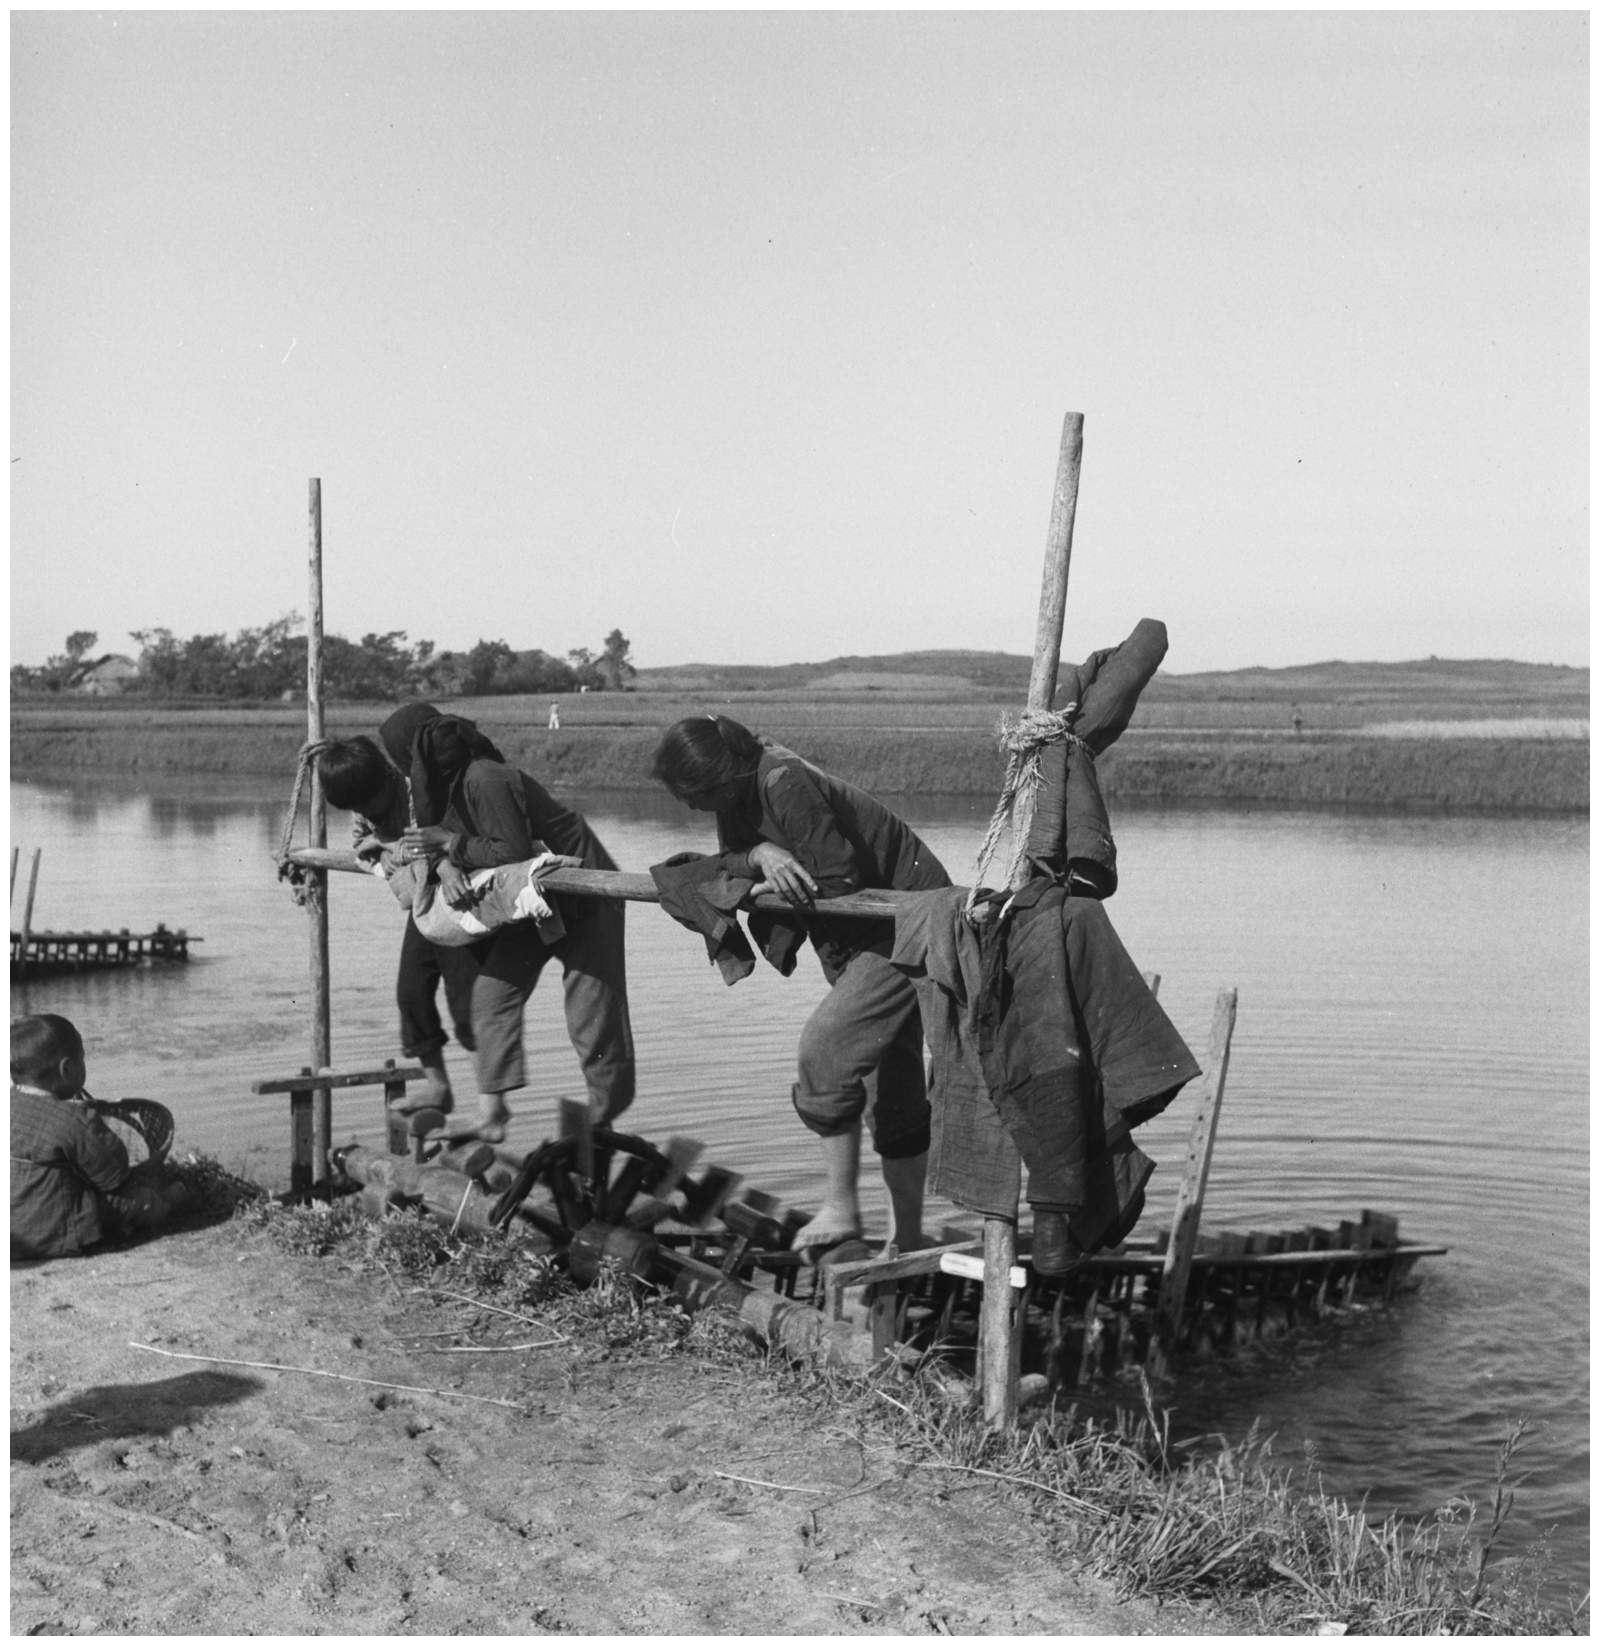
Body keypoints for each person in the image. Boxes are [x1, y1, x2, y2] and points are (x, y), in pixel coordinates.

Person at [650, 714, 949, 1256]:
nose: (693, 808)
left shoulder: (782, 780)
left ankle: (842, 1209)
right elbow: (738, 862)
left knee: (824, 1054)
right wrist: (756, 856)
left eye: (696, 794)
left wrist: (750, 869)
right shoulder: (741, 794)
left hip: (909, 923)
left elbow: (837, 881)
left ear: (721, 775)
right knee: (892, 1088)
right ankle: (906, 1237)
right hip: (863, 936)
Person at [386, 702, 635, 1144]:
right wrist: (443, 858)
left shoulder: (485, 777)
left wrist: (450, 844)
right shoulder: (446, 789)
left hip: (584, 895)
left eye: (407, 764)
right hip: (531, 898)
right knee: (492, 996)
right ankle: (493, 1113)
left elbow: (512, 851)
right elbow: (456, 848)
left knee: (591, 1016)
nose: (409, 776)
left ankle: (602, 1120)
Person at [316, 732, 479, 1117]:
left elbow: (434, 837)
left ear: (383, 779)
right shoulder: (362, 802)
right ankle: (438, 1088)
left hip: (454, 895)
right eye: (357, 808)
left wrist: (394, 850)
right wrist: (377, 857)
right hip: (422, 902)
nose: (366, 812)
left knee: (465, 1004)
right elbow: (360, 845)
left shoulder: (411, 788)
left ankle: (491, 1103)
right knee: (411, 993)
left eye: (369, 804)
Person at [11, 1014, 193, 1260]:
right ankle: (172, 1200)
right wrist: (91, 1122)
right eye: (82, 1059)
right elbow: (114, 1173)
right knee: (139, 1200)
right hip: (55, 1234)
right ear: (68, 1069)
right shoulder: (74, 1119)